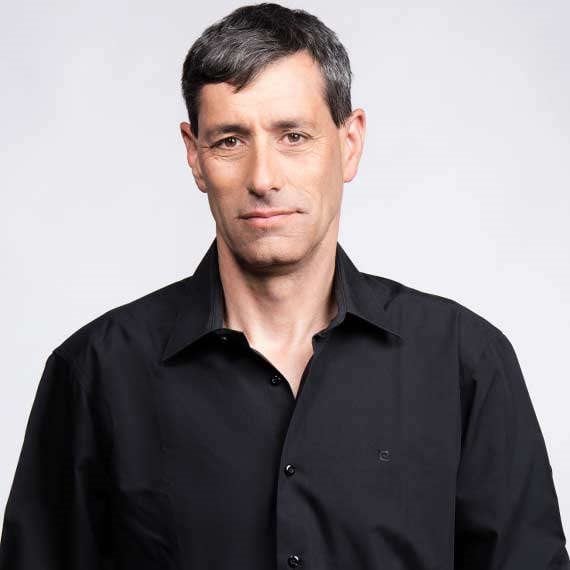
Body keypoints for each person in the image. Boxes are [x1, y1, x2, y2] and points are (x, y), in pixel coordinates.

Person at [1, 2, 568, 569]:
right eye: (230, 140)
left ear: (350, 143)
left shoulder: (465, 362)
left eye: (293, 136)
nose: (264, 178)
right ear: (194, 156)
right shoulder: (95, 372)